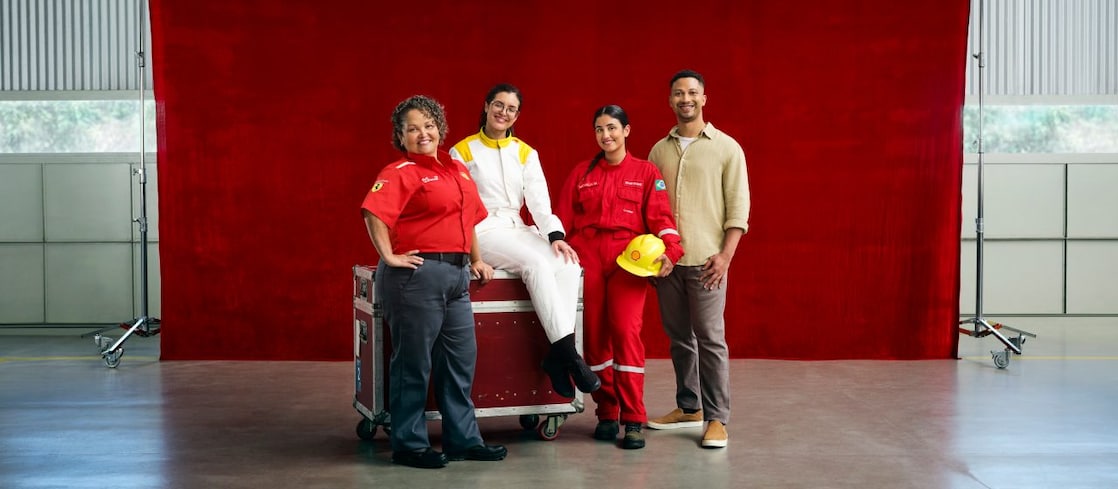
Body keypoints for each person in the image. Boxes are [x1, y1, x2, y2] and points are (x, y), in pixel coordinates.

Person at [360, 95, 507, 468]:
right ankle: (409, 445)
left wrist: (475, 259)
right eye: (412, 129)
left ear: (440, 129)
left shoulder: (457, 170)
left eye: (428, 125)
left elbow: (469, 218)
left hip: (456, 277)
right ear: (401, 136)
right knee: (413, 364)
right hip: (417, 278)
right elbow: (373, 212)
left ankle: (462, 440)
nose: (422, 133)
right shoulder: (400, 172)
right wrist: (389, 257)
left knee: (460, 361)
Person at [449, 84, 600, 399]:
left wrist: (556, 237)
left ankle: (557, 358)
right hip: (484, 230)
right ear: (487, 105)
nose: (503, 113)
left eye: (511, 109)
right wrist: (472, 252)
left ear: (517, 115)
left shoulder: (525, 153)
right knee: (534, 264)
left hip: (516, 226)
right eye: (499, 105)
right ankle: (570, 357)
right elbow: (461, 208)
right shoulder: (462, 151)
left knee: (567, 264)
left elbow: (540, 205)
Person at [556, 105, 683, 450]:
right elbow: (560, 223)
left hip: (628, 260)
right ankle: (607, 411)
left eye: (612, 128)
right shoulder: (582, 172)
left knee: (626, 334)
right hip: (589, 258)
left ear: (626, 131)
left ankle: (633, 418)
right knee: (595, 340)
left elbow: (661, 219)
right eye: (599, 129)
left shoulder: (645, 172)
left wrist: (671, 251)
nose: (605, 135)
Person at [646, 70, 750, 449]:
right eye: (678, 93)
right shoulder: (658, 150)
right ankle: (688, 407)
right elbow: (651, 208)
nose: (685, 98)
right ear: (670, 101)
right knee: (678, 338)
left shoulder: (726, 148)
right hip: (668, 263)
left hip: (708, 261)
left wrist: (725, 256)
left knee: (710, 339)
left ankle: (717, 418)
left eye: (692, 92)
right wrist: (653, 257)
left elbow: (738, 208)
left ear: (704, 99)